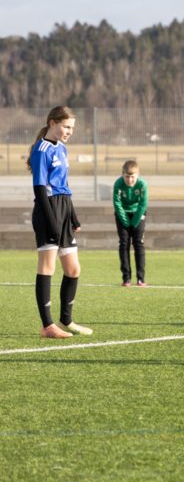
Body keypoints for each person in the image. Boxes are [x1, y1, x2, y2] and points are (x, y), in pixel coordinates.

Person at [28, 106, 93, 339]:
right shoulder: (41, 150)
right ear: (52, 123)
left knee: (73, 269)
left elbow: (64, 185)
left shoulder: (63, 149)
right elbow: (40, 190)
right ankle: (48, 326)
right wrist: (52, 221)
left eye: (72, 128)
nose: (69, 131)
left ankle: (67, 319)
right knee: (47, 266)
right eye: (66, 126)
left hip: (64, 208)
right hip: (48, 210)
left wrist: (72, 215)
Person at [113, 160, 149, 287]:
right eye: (127, 177)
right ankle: (126, 278)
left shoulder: (142, 184)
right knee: (124, 243)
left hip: (138, 215)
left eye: (132, 177)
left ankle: (140, 278)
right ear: (122, 175)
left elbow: (143, 204)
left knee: (138, 243)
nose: (130, 180)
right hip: (122, 215)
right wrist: (125, 221)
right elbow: (117, 203)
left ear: (137, 175)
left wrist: (134, 222)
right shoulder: (118, 184)